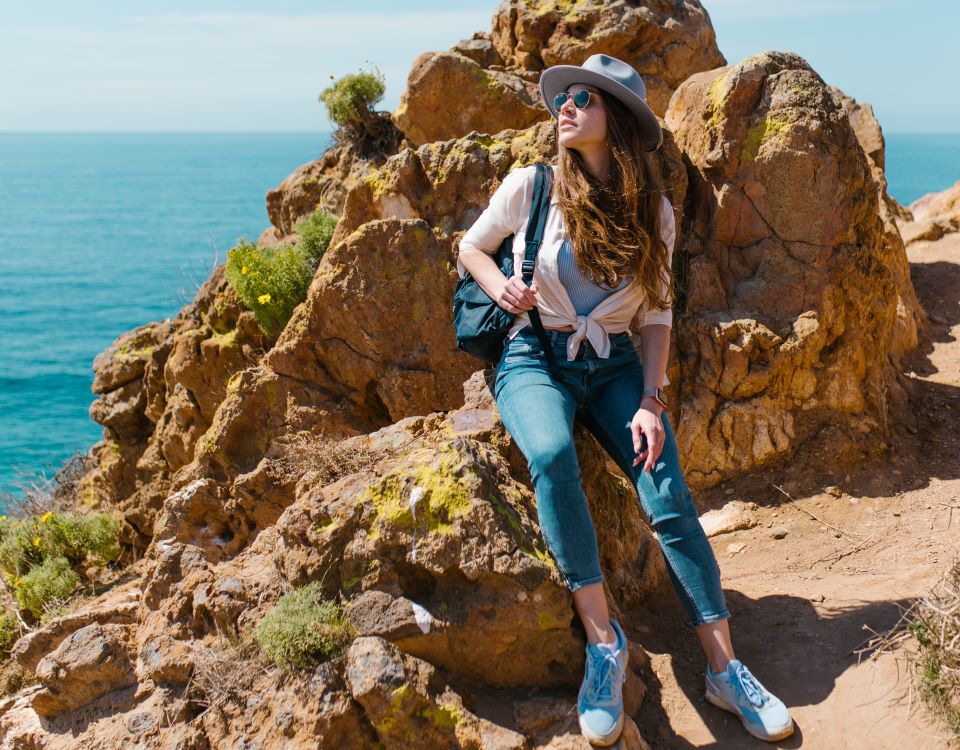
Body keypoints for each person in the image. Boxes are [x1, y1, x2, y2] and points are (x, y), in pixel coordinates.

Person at [456, 54, 794, 745]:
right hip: (532, 353)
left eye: (584, 98)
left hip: (611, 366)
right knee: (552, 455)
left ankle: (724, 669)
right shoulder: (534, 186)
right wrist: (502, 289)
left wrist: (650, 399)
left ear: (617, 121)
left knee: (665, 488)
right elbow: (471, 248)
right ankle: (603, 645)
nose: (566, 107)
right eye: (565, 98)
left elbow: (659, 314)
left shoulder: (653, 213)